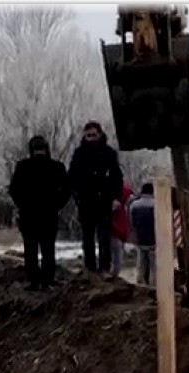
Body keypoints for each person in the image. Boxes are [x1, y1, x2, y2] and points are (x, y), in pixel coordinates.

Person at [9, 135, 72, 291]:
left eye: (41, 149)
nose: (39, 152)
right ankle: (37, 281)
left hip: (43, 214)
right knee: (33, 250)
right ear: (32, 150)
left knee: (45, 250)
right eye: (36, 149)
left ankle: (44, 281)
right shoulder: (24, 167)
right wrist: (23, 205)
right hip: (34, 214)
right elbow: (14, 189)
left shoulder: (55, 167)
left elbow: (66, 190)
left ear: (46, 149)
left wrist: (56, 205)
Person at [69, 121, 125, 275]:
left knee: (104, 237)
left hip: (105, 201)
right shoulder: (79, 154)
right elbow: (73, 178)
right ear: (84, 136)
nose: (91, 139)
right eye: (88, 136)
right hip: (86, 202)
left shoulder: (109, 153)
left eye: (94, 135)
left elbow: (117, 178)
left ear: (100, 134)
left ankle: (104, 268)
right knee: (87, 238)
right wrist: (78, 198)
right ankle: (90, 268)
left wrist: (116, 198)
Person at [128, 182, 157, 287]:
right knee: (154, 265)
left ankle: (140, 283)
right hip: (153, 239)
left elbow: (131, 223)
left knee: (141, 263)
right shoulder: (156, 204)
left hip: (140, 238)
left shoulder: (134, 205)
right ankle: (153, 285)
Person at [110, 182, 134, 278]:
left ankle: (114, 275)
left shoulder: (122, 208)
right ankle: (114, 276)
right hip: (116, 234)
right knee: (117, 258)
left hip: (119, 234)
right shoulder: (117, 209)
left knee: (117, 258)